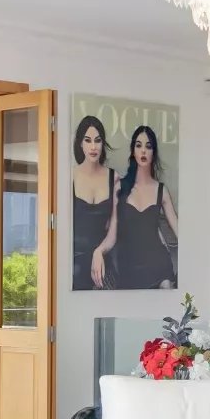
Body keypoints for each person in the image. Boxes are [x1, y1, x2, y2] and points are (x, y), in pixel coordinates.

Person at [94, 124, 178, 289]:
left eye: (148, 146)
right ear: (133, 151)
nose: (143, 151)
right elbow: (112, 236)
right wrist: (98, 251)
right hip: (129, 269)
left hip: (158, 266)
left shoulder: (161, 190)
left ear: (154, 152)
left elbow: (179, 231)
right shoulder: (121, 188)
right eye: (139, 145)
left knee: (166, 287)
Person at [70, 115, 118, 289]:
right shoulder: (69, 176)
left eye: (97, 141)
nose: (93, 147)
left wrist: (99, 251)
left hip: (102, 259)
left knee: (110, 288)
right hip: (73, 261)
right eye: (87, 140)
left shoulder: (114, 178)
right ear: (80, 143)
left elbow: (113, 232)